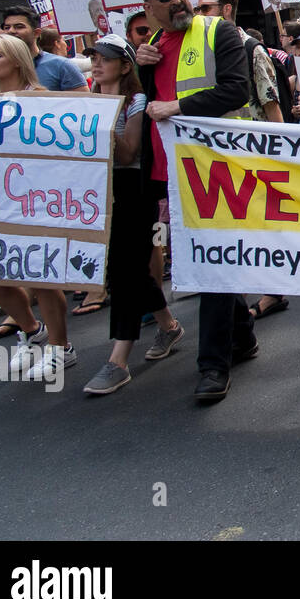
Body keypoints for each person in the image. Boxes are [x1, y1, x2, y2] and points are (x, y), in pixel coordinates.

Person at [135, 0, 254, 403]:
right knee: (208, 262)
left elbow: (236, 91)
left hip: (214, 169)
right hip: (166, 173)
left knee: (210, 263)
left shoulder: (217, 32)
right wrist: (138, 67)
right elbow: (145, 106)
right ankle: (242, 335)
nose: (177, 0)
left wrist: (178, 107)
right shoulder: (149, 48)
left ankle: (212, 365)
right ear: (147, 9)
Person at [80, 35, 185, 394]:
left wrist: (100, 125)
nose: (96, 65)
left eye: (104, 59)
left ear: (125, 66)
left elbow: (127, 155)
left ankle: (118, 360)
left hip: (134, 192)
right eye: (93, 58)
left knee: (124, 271)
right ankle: (169, 325)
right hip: (99, 193)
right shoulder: (89, 99)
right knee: (127, 268)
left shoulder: (136, 101)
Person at [193, 0, 290, 319]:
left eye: (205, 9)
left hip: (255, 153)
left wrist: (280, 155)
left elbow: (271, 104)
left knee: (261, 225)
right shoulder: (199, 51)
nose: (199, 16)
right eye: (197, 10)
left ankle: (273, 292)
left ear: (226, 10)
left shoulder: (251, 50)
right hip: (218, 155)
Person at [0, 34, 74, 381]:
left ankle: (61, 346)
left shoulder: (42, 99)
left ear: (17, 60)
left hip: (40, 201)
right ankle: (33, 330)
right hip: (1, 202)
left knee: (44, 277)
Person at [0, 5, 88, 92]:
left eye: (19, 27)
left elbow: (81, 104)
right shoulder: (0, 68)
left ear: (36, 33)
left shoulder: (62, 66)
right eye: (7, 27)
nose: (11, 31)